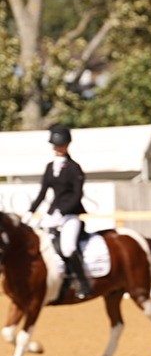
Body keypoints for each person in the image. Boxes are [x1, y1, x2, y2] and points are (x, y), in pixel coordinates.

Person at [27, 124, 91, 299]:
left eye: (60, 145)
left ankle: (83, 282)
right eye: (55, 146)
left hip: (70, 215)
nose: (57, 148)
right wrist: (30, 212)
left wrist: (62, 211)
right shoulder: (50, 167)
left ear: (67, 145)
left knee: (68, 248)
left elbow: (77, 194)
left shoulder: (74, 168)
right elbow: (42, 193)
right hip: (52, 215)